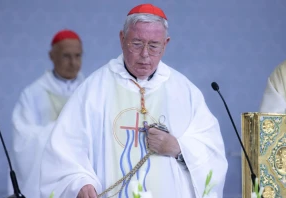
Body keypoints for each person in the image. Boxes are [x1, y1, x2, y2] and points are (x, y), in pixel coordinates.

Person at [40, 4, 228, 198]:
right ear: (122, 39)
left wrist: (179, 148)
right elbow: (63, 152)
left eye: (154, 45)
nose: (145, 54)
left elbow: (212, 152)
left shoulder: (185, 91)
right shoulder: (94, 90)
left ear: (166, 44)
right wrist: (80, 183)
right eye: (137, 44)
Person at [10, 29, 85, 198]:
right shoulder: (33, 94)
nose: (73, 63)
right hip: (46, 175)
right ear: (52, 56)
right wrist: (60, 132)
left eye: (78, 56)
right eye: (66, 56)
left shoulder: (90, 91)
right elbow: (22, 140)